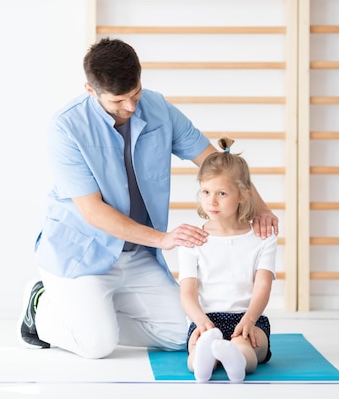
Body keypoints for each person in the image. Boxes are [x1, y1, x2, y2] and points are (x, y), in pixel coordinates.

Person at [18, 37, 279, 359]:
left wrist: (261, 207)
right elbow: (93, 212)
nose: (130, 107)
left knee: (187, 334)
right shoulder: (66, 127)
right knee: (97, 344)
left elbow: (215, 163)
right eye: (118, 101)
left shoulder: (158, 108)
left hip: (137, 253)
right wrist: (164, 239)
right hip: (82, 254)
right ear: (90, 90)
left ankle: (92, 312)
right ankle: (42, 305)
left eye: (135, 94)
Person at [178, 136, 278, 383]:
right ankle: (204, 362)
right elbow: (187, 293)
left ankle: (234, 361)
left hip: (248, 317)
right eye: (206, 192)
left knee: (247, 348)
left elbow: (263, 286)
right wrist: (201, 322)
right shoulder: (193, 239)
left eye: (222, 193)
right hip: (207, 319)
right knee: (197, 352)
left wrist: (249, 320)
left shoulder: (262, 238)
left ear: (243, 195)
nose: (211, 201)